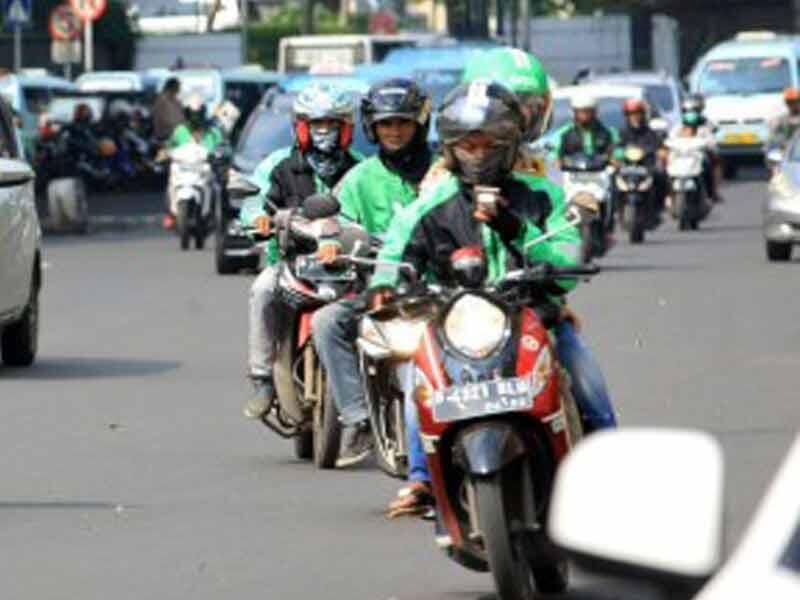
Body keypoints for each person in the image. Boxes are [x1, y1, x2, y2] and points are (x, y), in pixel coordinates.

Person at [389, 50, 617, 518]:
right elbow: (404, 242)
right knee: (422, 382)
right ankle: (422, 478)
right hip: (458, 313)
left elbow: (564, 245)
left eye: (492, 138)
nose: (480, 150)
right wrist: (392, 284)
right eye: (469, 142)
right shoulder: (440, 184)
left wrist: (552, 273)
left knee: (587, 382)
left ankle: (607, 472)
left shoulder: (539, 178)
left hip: (529, 306)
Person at [310, 78, 434, 467]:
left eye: (402, 123)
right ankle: (358, 418)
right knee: (327, 321)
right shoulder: (360, 178)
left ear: (419, 124)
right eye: (385, 124)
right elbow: (337, 219)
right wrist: (330, 240)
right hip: (378, 293)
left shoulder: (444, 173)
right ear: (372, 128)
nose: (394, 132)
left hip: (438, 292)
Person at [240, 82, 361, 420]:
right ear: (302, 127)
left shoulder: (360, 168)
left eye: (333, 125)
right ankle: (262, 379)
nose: (325, 132)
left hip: (346, 265)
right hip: (292, 263)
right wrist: (259, 218)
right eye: (318, 124)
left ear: (346, 128)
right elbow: (254, 200)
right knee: (262, 288)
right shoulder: (278, 165)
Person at [618, 98, 668, 224]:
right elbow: (615, 147)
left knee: (661, 176)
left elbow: (660, 146)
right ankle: (616, 211)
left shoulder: (649, 132)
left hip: (646, 167)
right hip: (626, 168)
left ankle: (658, 208)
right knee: (611, 180)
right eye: (631, 114)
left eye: (637, 113)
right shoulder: (622, 132)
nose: (635, 117)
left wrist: (660, 152)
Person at [668, 100, 720, 205]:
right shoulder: (678, 127)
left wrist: (708, 145)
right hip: (681, 156)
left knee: (708, 164)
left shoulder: (705, 126)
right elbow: (670, 138)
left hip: (697, 156)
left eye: (693, 110)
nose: (690, 113)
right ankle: (669, 195)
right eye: (687, 111)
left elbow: (712, 140)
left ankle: (711, 192)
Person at [553, 92, 620, 166]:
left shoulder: (607, 132)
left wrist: (614, 158)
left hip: (600, 172)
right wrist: (557, 161)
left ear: (595, 112)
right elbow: (553, 152)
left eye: (588, 111)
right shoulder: (564, 133)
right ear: (575, 112)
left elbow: (616, 150)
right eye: (581, 111)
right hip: (572, 172)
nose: (584, 115)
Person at [767, 87, 800, 155]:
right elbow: (773, 141)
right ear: (786, 103)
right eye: (790, 102)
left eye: (795, 101)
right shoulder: (780, 120)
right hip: (788, 155)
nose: (793, 105)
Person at [152, 77, 184, 142]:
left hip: (176, 135)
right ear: (173, 87)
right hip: (165, 136)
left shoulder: (176, 101)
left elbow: (181, 117)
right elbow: (165, 120)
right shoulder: (162, 101)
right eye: (178, 87)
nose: (179, 90)